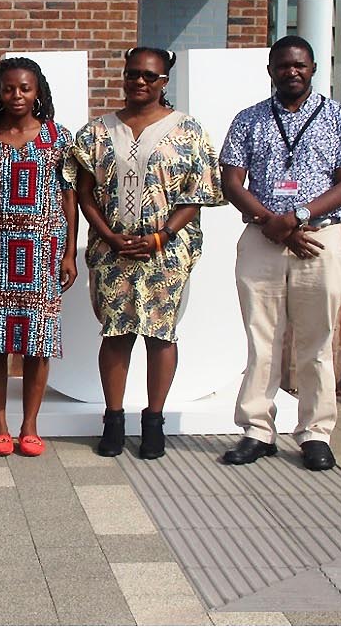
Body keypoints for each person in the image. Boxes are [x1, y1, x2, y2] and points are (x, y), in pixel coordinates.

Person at [219, 35, 341, 472]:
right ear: (270, 70)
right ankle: (256, 430)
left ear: (313, 68)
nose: (292, 72)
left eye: (299, 65)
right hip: (262, 239)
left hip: (320, 238)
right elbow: (232, 182)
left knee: (316, 340)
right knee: (261, 338)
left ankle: (314, 432)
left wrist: (297, 216)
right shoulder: (249, 119)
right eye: (283, 65)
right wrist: (275, 224)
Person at [72, 47, 224, 460]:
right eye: (133, 74)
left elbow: (201, 192)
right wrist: (108, 236)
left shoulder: (189, 132)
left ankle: (153, 421)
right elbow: (83, 193)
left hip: (166, 253)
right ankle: (114, 420)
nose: (140, 82)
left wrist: (162, 235)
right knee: (116, 333)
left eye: (150, 76)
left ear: (164, 82)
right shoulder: (96, 132)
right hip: (112, 251)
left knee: (160, 335)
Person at [0, 58, 78, 459]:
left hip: (43, 252)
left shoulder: (58, 139)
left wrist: (68, 252)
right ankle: (1, 425)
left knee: (38, 342)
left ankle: (30, 425)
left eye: (25, 88)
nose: (17, 96)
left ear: (37, 91)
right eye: (9, 89)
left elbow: (70, 198)